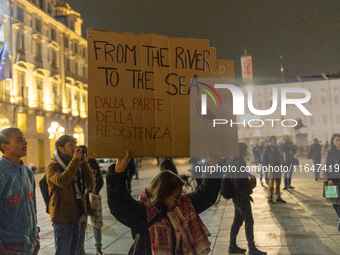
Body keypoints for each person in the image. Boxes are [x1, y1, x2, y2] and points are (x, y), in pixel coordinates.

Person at [107, 150, 221, 254]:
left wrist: (213, 168)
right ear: (163, 195)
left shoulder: (184, 205)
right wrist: (118, 173)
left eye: (181, 196)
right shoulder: (143, 213)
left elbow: (206, 195)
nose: (179, 201)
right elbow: (119, 205)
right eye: (176, 197)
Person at [45, 135, 95, 255]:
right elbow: (62, 181)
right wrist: (75, 161)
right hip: (62, 215)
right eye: (71, 145)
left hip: (77, 212)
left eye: (75, 144)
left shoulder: (76, 164)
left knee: (75, 250)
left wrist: (84, 163)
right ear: (61, 149)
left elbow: (90, 183)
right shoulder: (53, 166)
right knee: (63, 250)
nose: (75, 148)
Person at [0, 128, 40, 255]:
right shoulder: (2, 173)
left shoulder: (27, 172)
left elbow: (32, 207)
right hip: (10, 244)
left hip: (30, 243)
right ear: (5, 146)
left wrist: (36, 235)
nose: (25, 143)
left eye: (24, 139)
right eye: (19, 140)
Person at [229, 143, 267, 255]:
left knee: (237, 221)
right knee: (249, 221)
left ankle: (232, 246)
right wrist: (248, 188)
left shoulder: (234, 162)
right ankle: (252, 248)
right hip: (241, 197)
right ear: (241, 151)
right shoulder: (240, 162)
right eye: (245, 149)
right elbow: (238, 181)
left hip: (236, 197)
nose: (247, 151)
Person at [77, 145, 104, 255]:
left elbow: (100, 181)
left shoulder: (91, 164)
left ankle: (98, 247)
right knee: (82, 224)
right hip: (82, 198)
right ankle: (81, 249)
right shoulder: (76, 164)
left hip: (91, 197)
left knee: (96, 222)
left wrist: (93, 191)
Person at [262, 136, 286, 204]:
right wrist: (267, 166)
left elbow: (281, 156)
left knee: (278, 183)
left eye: (275, 140)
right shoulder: (267, 148)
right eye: (273, 140)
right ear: (270, 141)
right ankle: (270, 198)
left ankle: (278, 197)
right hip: (271, 167)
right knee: (271, 183)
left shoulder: (278, 148)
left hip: (278, 166)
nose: (275, 142)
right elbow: (263, 158)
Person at [324, 133, 340, 231]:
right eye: (337, 140)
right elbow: (326, 166)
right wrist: (328, 179)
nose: (339, 142)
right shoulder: (330, 152)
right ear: (333, 142)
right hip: (334, 179)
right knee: (335, 201)